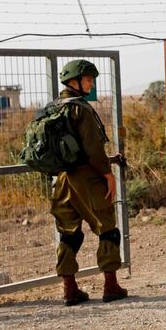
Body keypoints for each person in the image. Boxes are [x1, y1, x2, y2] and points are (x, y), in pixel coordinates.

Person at [50, 59, 128, 306]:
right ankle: (111, 285)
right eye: (88, 80)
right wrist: (108, 174)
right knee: (107, 229)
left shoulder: (52, 109)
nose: (91, 84)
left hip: (62, 180)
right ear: (74, 81)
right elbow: (94, 149)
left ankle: (70, 289)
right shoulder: (81, 109)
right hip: (87, 178)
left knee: (69, 235)